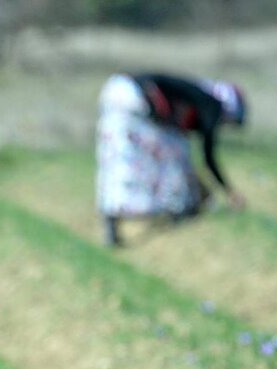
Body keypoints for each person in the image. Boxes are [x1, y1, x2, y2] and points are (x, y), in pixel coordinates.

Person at [95, 72, 247, 247]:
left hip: (114, 92)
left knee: (119, 161)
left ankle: (112, 218)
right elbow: (208, 157)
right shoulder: (211, 105)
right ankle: (181, 209)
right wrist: (229, 191)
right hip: (136, 99)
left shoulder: (194, 94)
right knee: (173, 156)